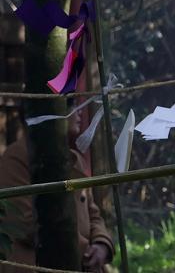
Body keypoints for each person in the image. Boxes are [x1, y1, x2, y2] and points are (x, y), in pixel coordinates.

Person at [0, 101, 114, 273]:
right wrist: (86, 251)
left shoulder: (73, 159)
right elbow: (26, 222)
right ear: (51, 113)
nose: (80, 112)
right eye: (71, 105)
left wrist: (101, 244)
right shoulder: (16, 158)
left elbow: (93, 213)